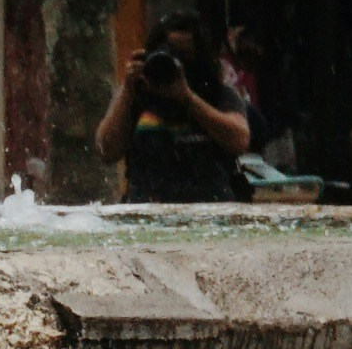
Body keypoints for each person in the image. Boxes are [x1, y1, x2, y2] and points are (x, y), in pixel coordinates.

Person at [98, 11, 256, 205]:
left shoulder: (217, 94)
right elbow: (107, 150)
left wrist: (188, 98)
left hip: (210, 209)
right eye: (171, 54)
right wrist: (127, 91)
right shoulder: (137, 95)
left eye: (185, 57)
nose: (178, 64)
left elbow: (239, 140)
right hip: (146, 210)